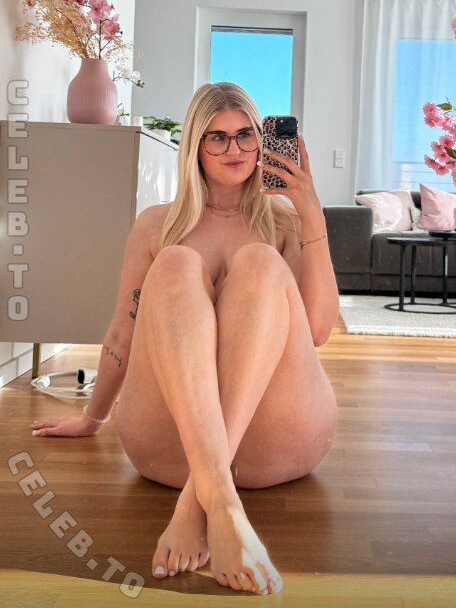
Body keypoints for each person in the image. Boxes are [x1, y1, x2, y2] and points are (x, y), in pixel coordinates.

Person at [30, 82, 340, 596]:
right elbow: (123, 329)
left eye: (245, 134)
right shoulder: (156, 226)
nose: (234, 148)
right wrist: (92, 417)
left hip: (275, 439)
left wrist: (311, 213)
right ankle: (222, 501)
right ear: (194, 146)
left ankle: (201, 497)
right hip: (167, 445)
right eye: (216, 137)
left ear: (263, 140)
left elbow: (318, 331)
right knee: (175, 262)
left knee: (260, 263)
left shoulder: (286, 224)